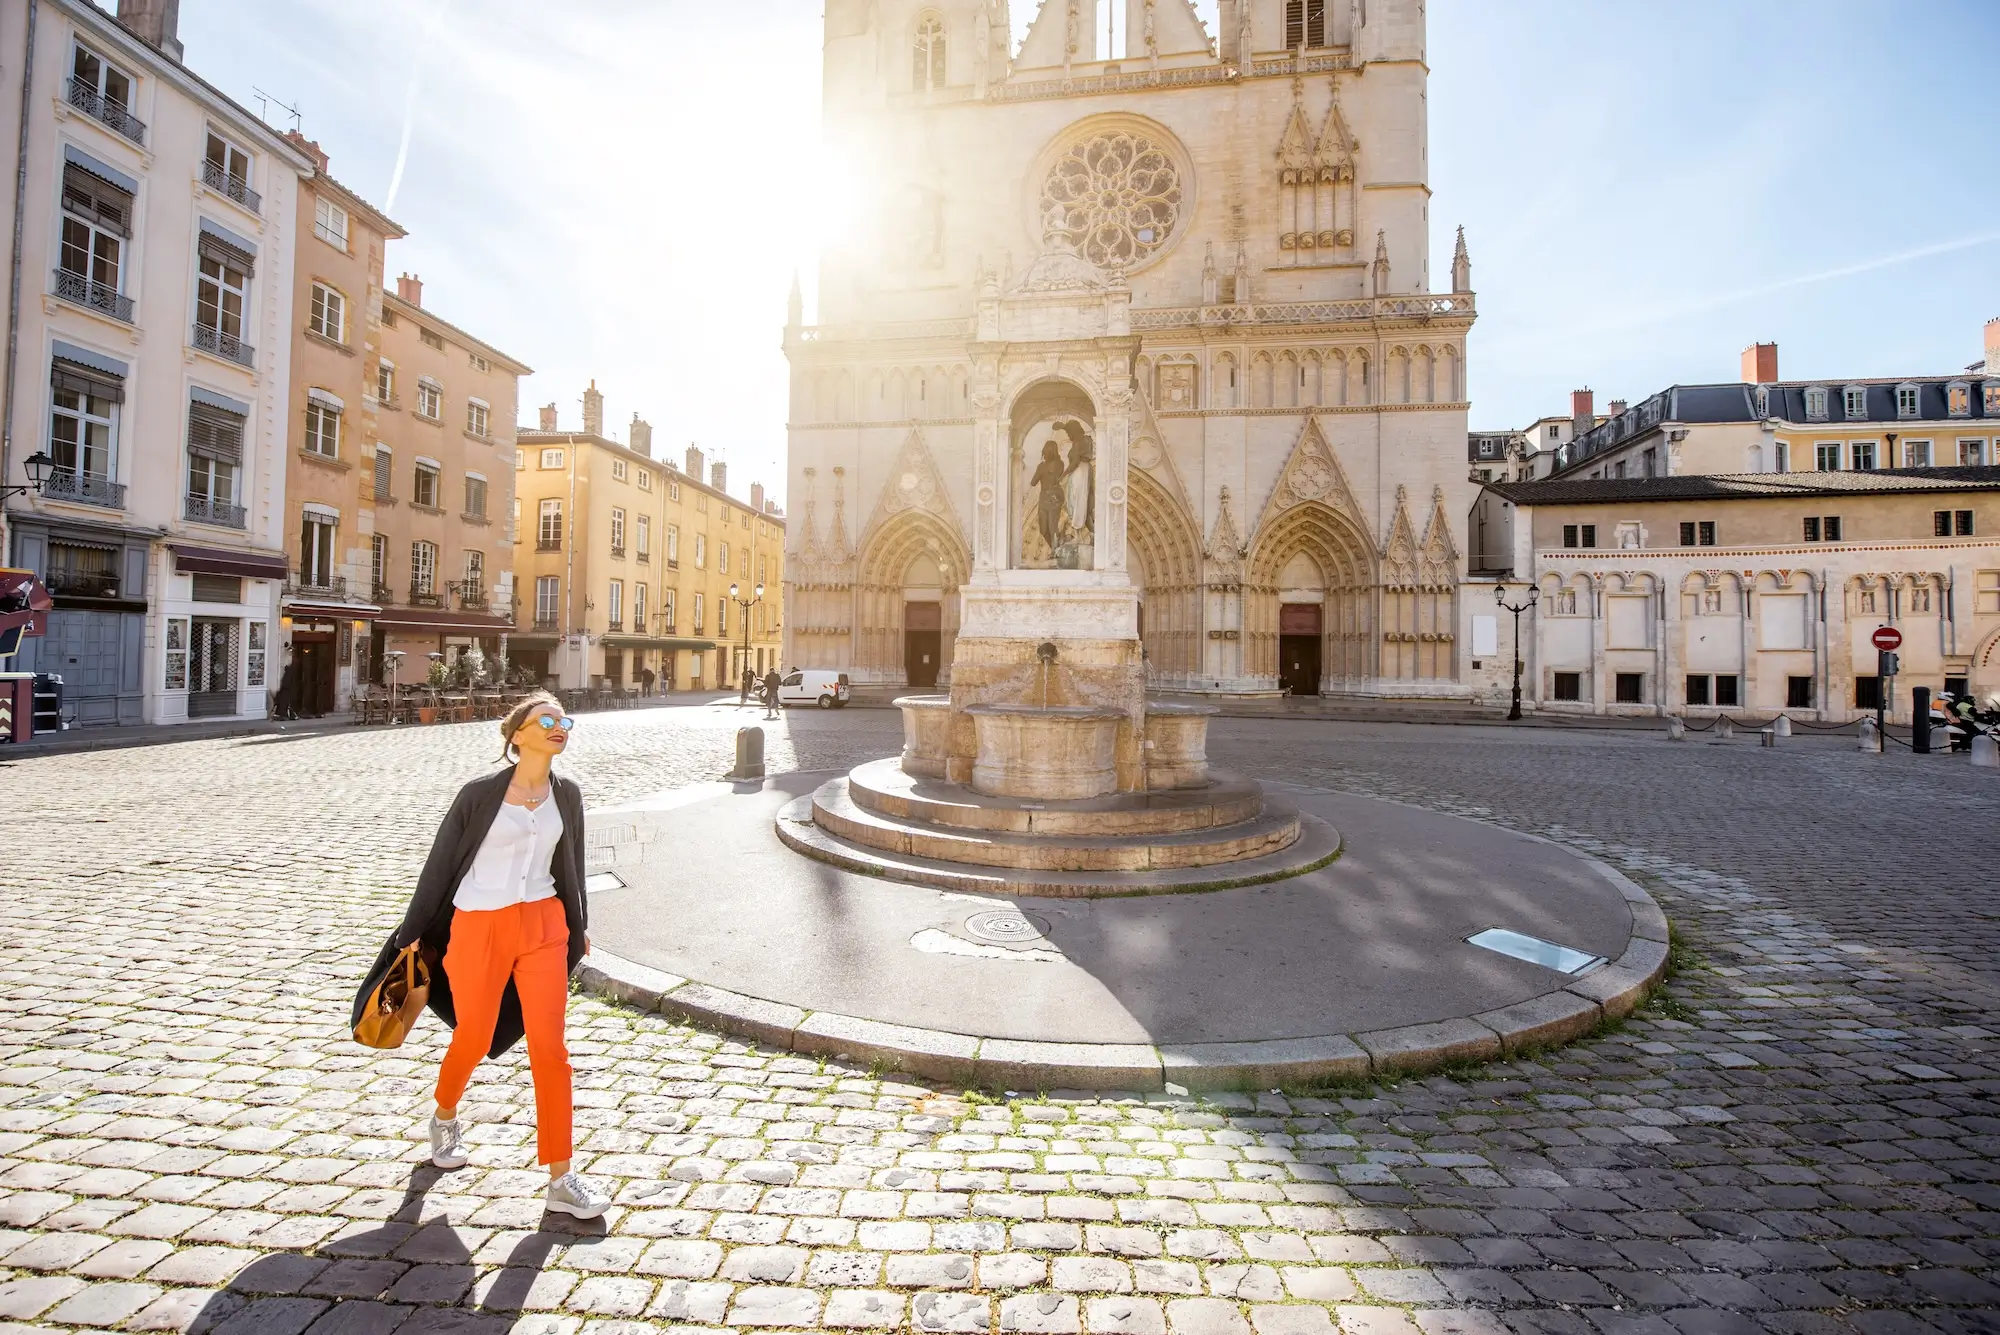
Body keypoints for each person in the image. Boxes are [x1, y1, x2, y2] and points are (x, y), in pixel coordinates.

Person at [351, 692, 610, 1219]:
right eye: (547, 720)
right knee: (473, 1034)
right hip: (477, 925)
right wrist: (411, 933)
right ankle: (444, 1114)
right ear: (517, 735)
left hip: (543, 927)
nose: (560, 728)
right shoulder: (479, 795)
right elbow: (441, 864)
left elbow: (573, 868)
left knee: (551, 1052)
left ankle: (561, 1176)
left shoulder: (569, 795)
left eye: (564, 721)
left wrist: (578, 927)